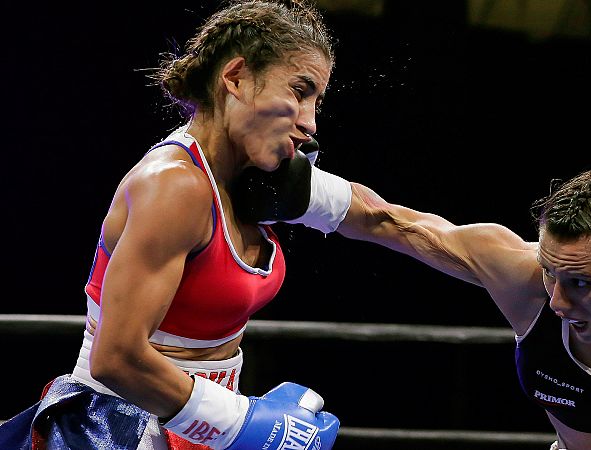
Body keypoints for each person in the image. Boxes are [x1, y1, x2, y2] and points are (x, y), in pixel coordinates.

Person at [0, 1, 346, 449]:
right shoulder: (174, 186)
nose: (310, 122)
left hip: (189, 420)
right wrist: (241, 421)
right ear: (236, 77)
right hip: (117, 426)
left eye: (317, 100)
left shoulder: (259, 179)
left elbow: (394, 221)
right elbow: (117, 358)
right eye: (300, 91)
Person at [233, 156, 591, 449]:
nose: (559, 301)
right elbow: (398, 224)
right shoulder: (521, 279)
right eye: (550, 272)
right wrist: (301, 189)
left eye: (582, 284)